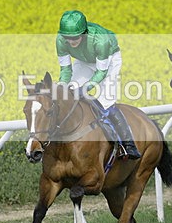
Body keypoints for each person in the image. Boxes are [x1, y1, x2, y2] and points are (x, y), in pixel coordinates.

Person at [56, 10, 141, 159]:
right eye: (67, 37)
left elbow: (101, 73)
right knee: (70, 93)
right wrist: (62, 85)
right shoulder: (60, 40)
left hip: (108, 61)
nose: (71, 41)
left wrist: (87, 87)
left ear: (84, 32)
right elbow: (65, 69)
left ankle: (128, 144)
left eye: (75, 37)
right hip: (83, 61)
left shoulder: (101, 41)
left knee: (105, 101)